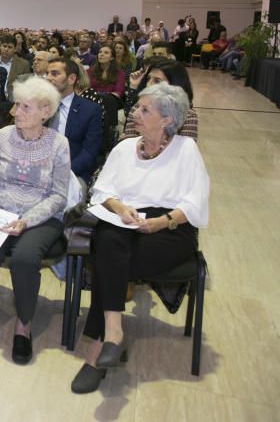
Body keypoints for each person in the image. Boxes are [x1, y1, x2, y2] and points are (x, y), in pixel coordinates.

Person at [71, 84, 209, 393]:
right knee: (108, 242)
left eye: (145, 110)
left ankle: (98, 352)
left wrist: (163, 221)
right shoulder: (124, 148)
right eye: (137, 107)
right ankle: (113, 333)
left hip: (172, 228)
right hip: (124, 220)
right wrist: (120, 208)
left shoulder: (186, 149)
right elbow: (103, 191)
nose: (135, 113)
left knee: (108, 261)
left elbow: (195, 201)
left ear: (167, 119)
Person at [0, 76, 70, 365]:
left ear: (45, 112)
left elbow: (59, 196)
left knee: (24, 258)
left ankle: (24, 326)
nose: (15, 112)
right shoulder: (2, 136)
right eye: (16, 105)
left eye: (25, 107)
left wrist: (26, 220)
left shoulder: (59, 144)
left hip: (42, 216)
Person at [45, 58, 103, 181]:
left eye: (55, 74)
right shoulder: (39, 105)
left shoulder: (90, 110)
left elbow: (89, 152)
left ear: (71, 79)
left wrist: (63, 172)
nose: (48, 78)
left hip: (73, 172)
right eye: (47, 73)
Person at [121, 58, 198, 140]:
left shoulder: (188, 115)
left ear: (174, 85)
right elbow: (129, 144)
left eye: (157, 81)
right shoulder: (138, 108)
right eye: (148, 79)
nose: (149, 84)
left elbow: (186, 150)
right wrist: (133, 87)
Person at [0, 35, 30, 100]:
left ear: (15, 49)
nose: (6, 49)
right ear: (0, 47)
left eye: (10, 47)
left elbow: (26, 86)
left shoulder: (23, 64)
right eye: (4, 46)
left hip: (13, 100)